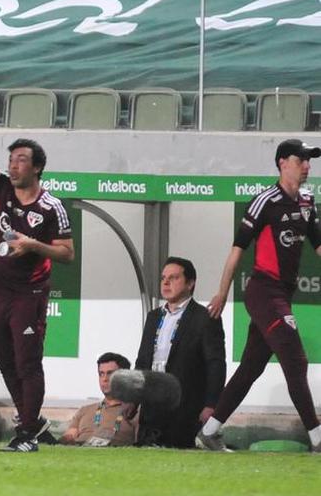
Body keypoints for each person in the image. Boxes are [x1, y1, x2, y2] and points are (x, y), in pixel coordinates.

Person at [0, 109, 73, 452]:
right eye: (11, 159)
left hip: (31, 292)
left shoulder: (51, 206)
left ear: (36, 167)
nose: (13, 165)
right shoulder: (2, 189)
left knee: (28, 360)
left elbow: (67, 253)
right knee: (0, 352)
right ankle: (32, 422)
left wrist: (33, 245)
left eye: (21, 159)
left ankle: (26, 433)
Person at [198, 139, 321, 453]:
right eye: (301, 159)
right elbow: (236, 251)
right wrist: (223, 292)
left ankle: (209, 431)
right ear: (282, 162)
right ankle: (318, 438)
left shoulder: (308, 200)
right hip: (263, 292)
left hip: (283, 294)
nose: (307, 165)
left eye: (310, 160)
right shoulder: (263, 200)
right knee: (296, 359)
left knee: (251, 367)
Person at [133, 257, 225, 448]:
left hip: (187, 406)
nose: (166, 283)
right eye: (163, 278)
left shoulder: (205, 318)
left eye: (173, 278)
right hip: (152, 406)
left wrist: (211, 405)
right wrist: (133, 399)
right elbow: (142, 361)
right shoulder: (153, 317)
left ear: (190, 283)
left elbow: (215, 364)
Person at [59, 353, 138, 447]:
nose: (105, 379)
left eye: (110, 373)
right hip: (79, 455)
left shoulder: (135, 411)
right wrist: (66, 440)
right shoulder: (84, 410)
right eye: (101, 374)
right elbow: (69, 436)